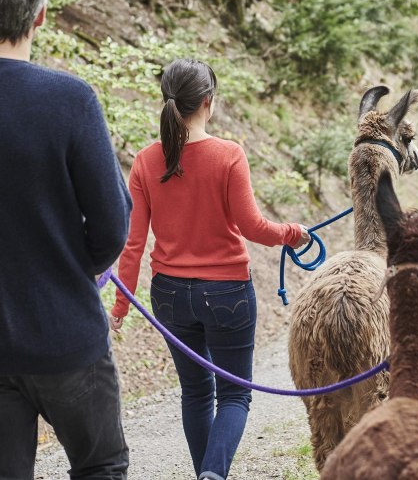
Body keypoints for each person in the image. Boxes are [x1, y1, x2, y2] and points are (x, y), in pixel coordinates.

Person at [110, 58, 310, 480]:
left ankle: (206, 474)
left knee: (196, 392)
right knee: (235, 395)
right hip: (227, 295)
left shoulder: (146, 161)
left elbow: (133, 243)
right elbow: (254, 227)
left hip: (168, 296)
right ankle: (213, 474)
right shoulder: (228, 154)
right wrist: (294, 233)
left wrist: (120, 307)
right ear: (207, 101)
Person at [0, 0, 132, 479]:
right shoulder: (71, 100)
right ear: (41, 16)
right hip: (66, 338)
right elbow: (111, 225)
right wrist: (76, 266)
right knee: (101, 466)